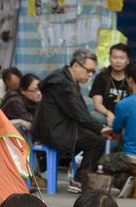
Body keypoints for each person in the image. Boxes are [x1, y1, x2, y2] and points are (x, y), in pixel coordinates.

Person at [34, 50, 107, 194]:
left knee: (95, 134)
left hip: (59, 127)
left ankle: (79, 177)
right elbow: (80, 115)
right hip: (54, 131)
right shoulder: (63, 84)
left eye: (93, 71)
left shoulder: (66, 80)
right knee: (97, 141)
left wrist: (98, 127)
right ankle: (79, 180)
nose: (90, 75)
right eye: (89, 70)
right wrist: (101, 129)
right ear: (75, 66)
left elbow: (81, 113)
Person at [90, 43, 130, 127]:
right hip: (105, 115)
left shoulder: (132, 77)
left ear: (127, 61)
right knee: (93, 116)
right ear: (109, 58)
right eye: (114, 57)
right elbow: (97, 105)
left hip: (127, 116)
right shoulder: (101, 77)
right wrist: (109, 114)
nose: (118, 61)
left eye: (122, 58)